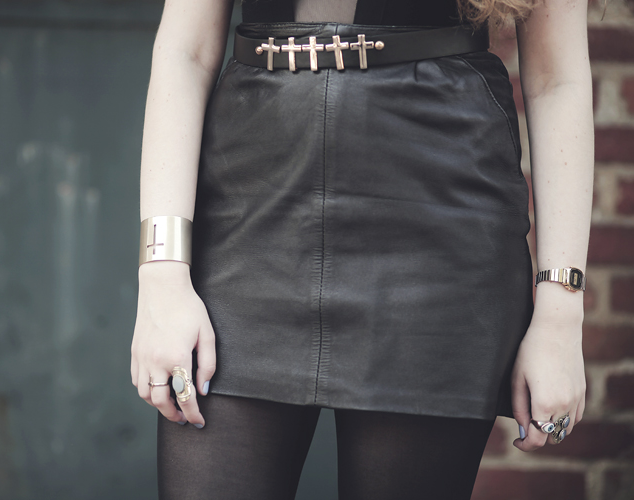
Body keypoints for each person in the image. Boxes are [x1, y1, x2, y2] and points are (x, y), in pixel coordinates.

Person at [131, 0, 593, 498]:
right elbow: (186, 51)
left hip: (438, 218)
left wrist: (560, 316)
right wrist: (162, 274)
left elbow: (556, 79)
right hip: (251, 203)